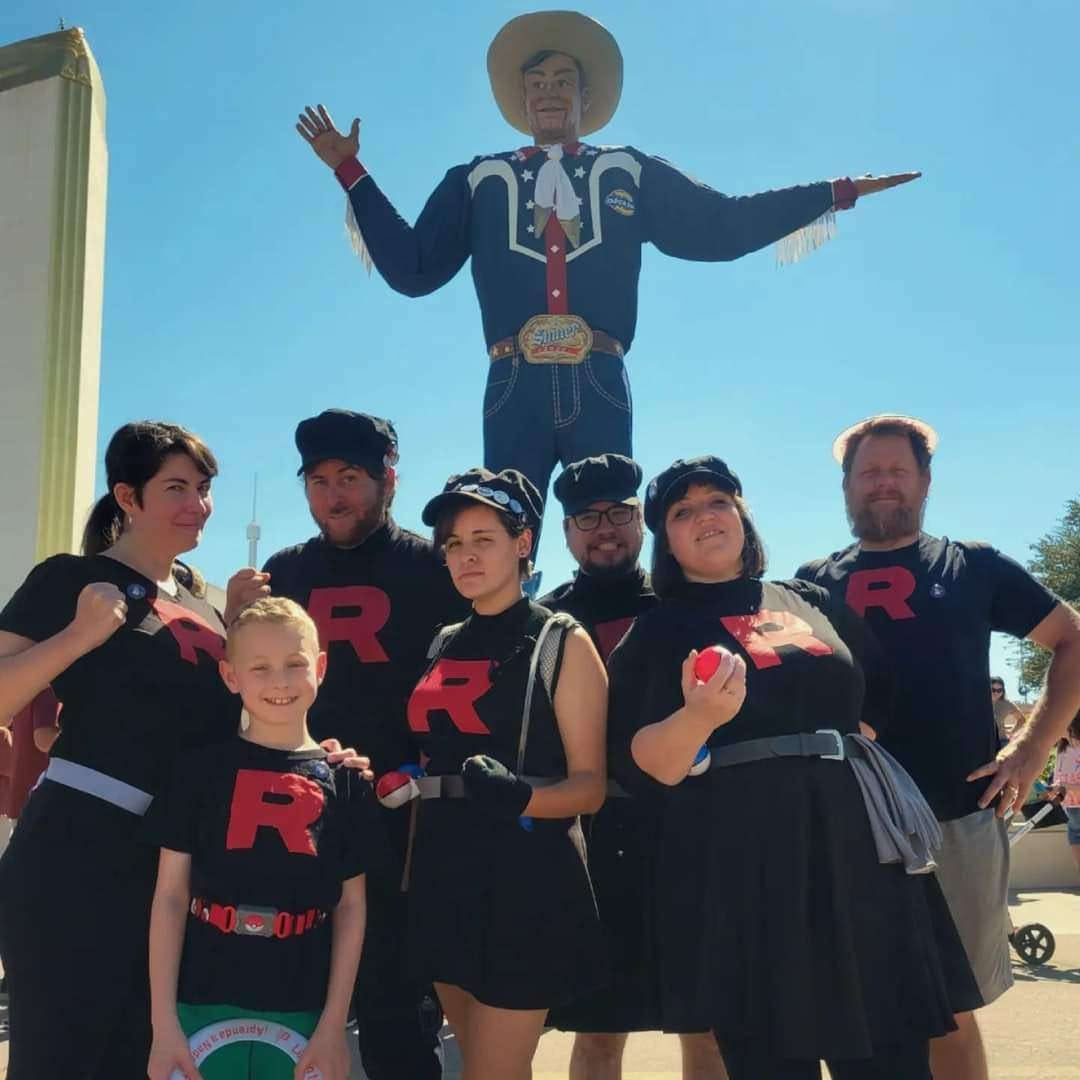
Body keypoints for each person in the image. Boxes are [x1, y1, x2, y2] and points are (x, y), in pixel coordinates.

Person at [295, 10, 919, 507]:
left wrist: (833, 193)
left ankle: (617, 658)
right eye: (536, 83)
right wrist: (349, 170)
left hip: (599, 371)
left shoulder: (628, 169)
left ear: (585, 96)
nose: (548, 93)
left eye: (563, 81)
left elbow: (722, 225)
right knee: (505, 525)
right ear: (519, 97)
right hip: (514, 378)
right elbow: (413, 268)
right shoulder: (478, 179)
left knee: (610, 527)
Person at [0, 420, 367, 1080]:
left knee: (147, 1060)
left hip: (176, 867)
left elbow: (237, 728)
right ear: (127, 497)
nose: (197, 504)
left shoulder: (202, 603)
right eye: (175, 488)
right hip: (77, 855)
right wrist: (79, 637)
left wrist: (316, 756)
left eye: (203, 488)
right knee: (59, 1057)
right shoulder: (74, 579)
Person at [608, 455, 979, 1079]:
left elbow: (876, 687)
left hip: (857, 850)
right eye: (682, 511)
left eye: (718, 501)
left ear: (743, 515)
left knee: (893, 1049)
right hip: (741, 868)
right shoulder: (655, 631)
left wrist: (832, 752)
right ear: (664, 540)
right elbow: (642, 764)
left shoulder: (808, 599)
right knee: (772, 1058)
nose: (705, 517)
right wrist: (698, 718)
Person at [796, 414, 1080, 1080]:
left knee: (951, 1008)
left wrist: (1033, 749)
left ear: (925, 481)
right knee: (859, 1004)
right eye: (869, 472)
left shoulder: (975, 566)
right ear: (846, 487)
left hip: (957, 814)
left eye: (897, 469)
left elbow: (1072, 638)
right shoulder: (811, 582)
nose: (883, 484)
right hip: (845, 829)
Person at [258, 408, 467, 1078]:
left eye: (350, 476)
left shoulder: (436, 566)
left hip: (401, 814)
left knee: (394, 1008)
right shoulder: (283, 571)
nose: (333, 494)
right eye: (318, 480)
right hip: (297, 812)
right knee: (283, 997)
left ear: (389, 479)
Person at [402, 467, 608, 1079]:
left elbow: (590, 787)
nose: (465, 555)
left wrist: (519, 796)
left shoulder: (558, 638)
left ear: (522, 543)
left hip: (525, 883)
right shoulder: (441, 642)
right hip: (443, 873)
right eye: (454, 543)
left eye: (483, 539)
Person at [539, 454, 726, 1079]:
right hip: (594, 838)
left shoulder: (688, 603)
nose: (605, 528)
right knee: (599, 1032)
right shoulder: (546, 621)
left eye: (619, 513)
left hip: (693, 831)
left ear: (641, 522)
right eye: (586, 517)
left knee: (707, 1027)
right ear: (566, 532)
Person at [147, 597, 374, 1080]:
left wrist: (334, 1024)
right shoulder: (197, 771)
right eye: (260, 667)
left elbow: (351, 907)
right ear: (231, 677)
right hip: (200, 998)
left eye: (295, 664)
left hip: (304, 1004)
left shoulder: (348, 781)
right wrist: (163, 1022)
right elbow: (170, 896)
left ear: (321, 667)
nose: (279, 681)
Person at [1052, 714, 1080, 879]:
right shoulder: (1063, 748)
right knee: (1075, 837)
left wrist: (1065, 787)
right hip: (1070, 806)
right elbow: (1058, 777)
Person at [991, 675, 1025, 742]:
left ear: (1003, 691)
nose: (996, 693)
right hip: (980, 742)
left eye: (999, 690)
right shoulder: (978, 703)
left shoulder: (1007, 704)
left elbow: (1021, 719)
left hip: (1001, 741)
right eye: (993, 690)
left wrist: (1012, 731)